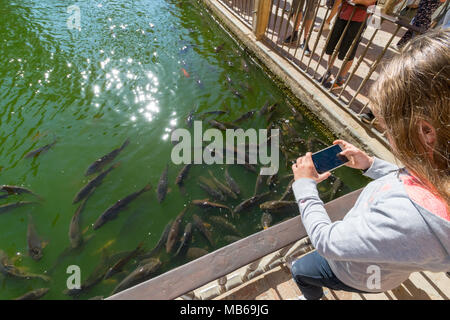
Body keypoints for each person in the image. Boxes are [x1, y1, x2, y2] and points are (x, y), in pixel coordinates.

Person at [289, 29, 449, 300]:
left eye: (388, 129)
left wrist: (304, 187)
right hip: (390, 270)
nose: (387, 136)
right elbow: (417, 181)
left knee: (300, 270)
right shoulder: (439, 172)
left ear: (425, 132)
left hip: (356, 273)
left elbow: (327, 243)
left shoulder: (406, 218)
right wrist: (371, 165)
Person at [319, 0, 376, 91]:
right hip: (342, 14)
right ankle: (328, 70)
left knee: (349, 50)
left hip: (359, 19)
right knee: (333, 44)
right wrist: (329, 19)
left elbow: (368, 2)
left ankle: (339, 80)